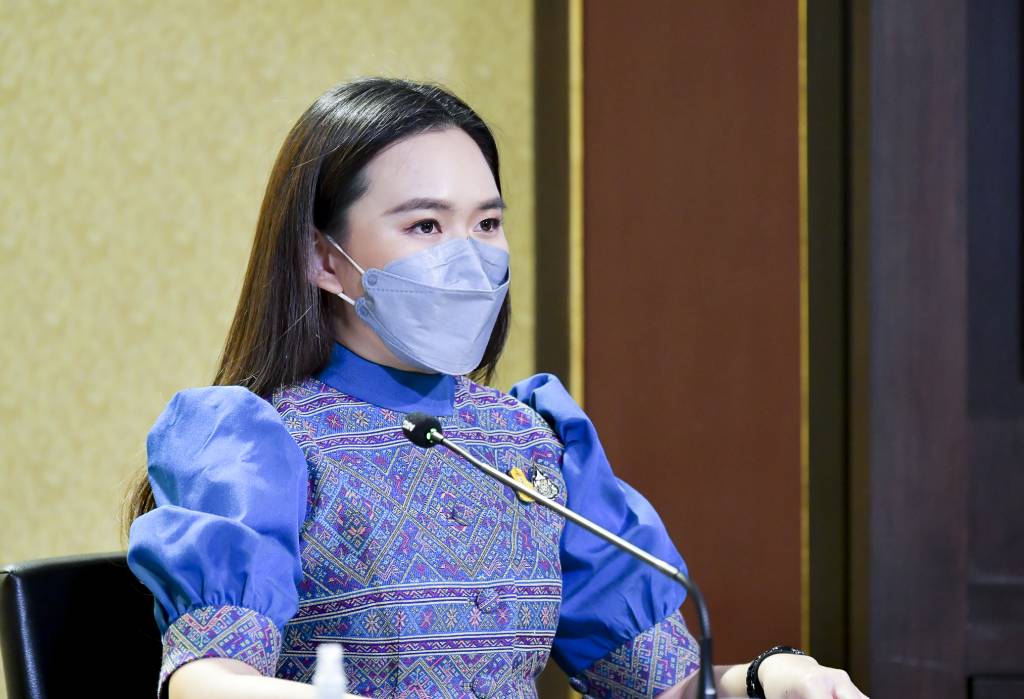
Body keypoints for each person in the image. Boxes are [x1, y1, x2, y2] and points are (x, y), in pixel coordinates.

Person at [123, 78, 867, 699]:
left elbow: (661, 686)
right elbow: (205, 679)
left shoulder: (533, 439)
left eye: (485, 223)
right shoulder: (255, 443)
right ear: (324, 257)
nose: (467, 257)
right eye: (425, 225)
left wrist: (772, 678)